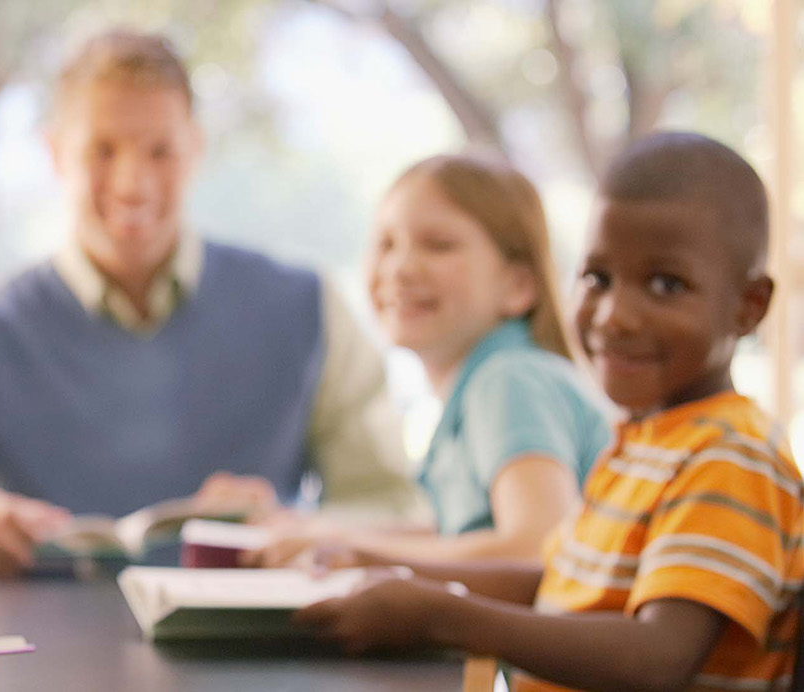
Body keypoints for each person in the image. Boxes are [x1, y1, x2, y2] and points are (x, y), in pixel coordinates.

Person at [0, 28, 421, 575]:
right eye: (103, 150)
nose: (132, 182)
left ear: (195, 149)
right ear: (57, 154)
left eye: (159, 151)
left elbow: (397, 511)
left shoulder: (305, 309)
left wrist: (299, 529)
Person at [295, 132, 801, 692]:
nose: (613, 317)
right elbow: (556, 582)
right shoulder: (646, 442)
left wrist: (443, 615)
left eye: (665, 284)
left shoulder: (731, 455)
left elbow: (657, 658)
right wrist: (400, 574)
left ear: (749, 307)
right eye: (597, 279)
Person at [249, 156, 612, 567]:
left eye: (438, 245)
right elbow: (460, 537)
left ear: (518, 285)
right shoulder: (479, 389)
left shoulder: (510, 380)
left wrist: (360, 555)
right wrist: (324, 533)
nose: (400, 268)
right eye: (386, 244)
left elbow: (536, 546)